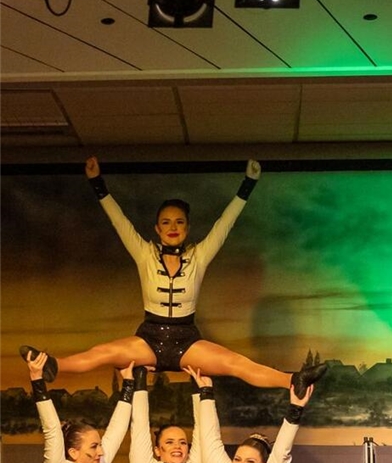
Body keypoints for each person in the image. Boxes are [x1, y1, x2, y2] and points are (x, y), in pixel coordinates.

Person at [18, 156, 326, 398]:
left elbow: (224, 224)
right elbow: (119, 221)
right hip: (149, 338)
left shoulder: (199, 256)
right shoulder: (144, 253)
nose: (173, 226)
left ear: (188, 227)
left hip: (185, 340)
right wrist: (97, 183)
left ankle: (294, 380)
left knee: (236, 364)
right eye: (165, 222)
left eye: (179, 221)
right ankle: (51, 364)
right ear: (157, 228)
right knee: (104, 352)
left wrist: (248, 184)